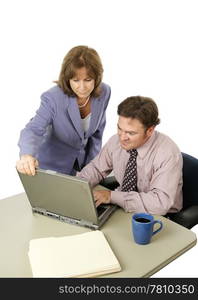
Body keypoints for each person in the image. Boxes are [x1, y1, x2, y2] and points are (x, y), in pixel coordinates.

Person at [77, 96, 183, 215]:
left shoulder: (167, 153)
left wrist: (112, 196)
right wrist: (77, 185)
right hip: (122, 206)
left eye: (131, 133)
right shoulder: (115, 141)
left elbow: (159, 203)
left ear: (150, 131)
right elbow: (96, 169)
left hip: (159, 216)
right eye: (120, 128)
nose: (122, 138)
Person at [16, 45, 111, 176]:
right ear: (67, 78)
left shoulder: (104, 92)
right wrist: (27, 155)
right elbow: (34, 129)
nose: (82, 87)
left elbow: (97, 134)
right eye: (75, 80)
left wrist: (93, 167)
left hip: (81, 167)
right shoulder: (53, 97)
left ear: (97, 77)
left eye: (88, 80)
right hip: (51, 167)